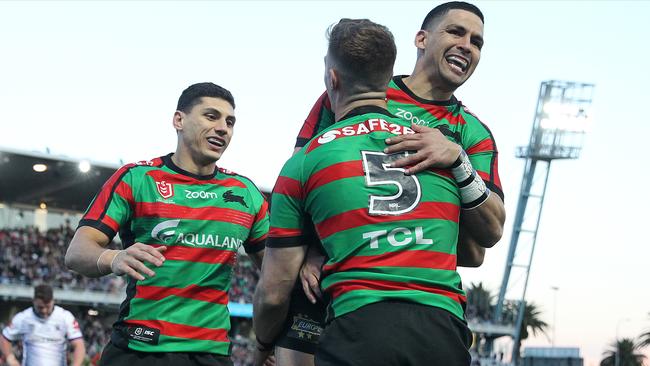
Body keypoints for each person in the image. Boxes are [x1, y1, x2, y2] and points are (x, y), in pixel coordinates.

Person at [275, 2, 506, 365]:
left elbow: (485, 240)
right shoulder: (358, 89)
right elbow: (298, 184)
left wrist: (458, 161)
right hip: (339, 288)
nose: (467, 45)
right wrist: (313, 249)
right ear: (421, 39)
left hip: (425, 301)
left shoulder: (471, 133)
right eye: (456, 32)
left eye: (477, 42)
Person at [65, 82, 269, 366]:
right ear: (179, 120)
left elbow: (275, 275)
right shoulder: (137, 178)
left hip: (210, 355)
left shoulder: (246, 193)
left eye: (230, 122)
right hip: (139, 348)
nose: (223, 127)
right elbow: (76, 253)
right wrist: (114, 257)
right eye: (211, 116)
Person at [1, 284, 86, 366]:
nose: (44, 310)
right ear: (33, 300)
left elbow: (79, 344)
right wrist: (10, 359)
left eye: (47, 306)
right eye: (40, 307)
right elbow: (4, 338)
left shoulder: (65, 317)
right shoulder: (23, 318)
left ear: (53, 300)